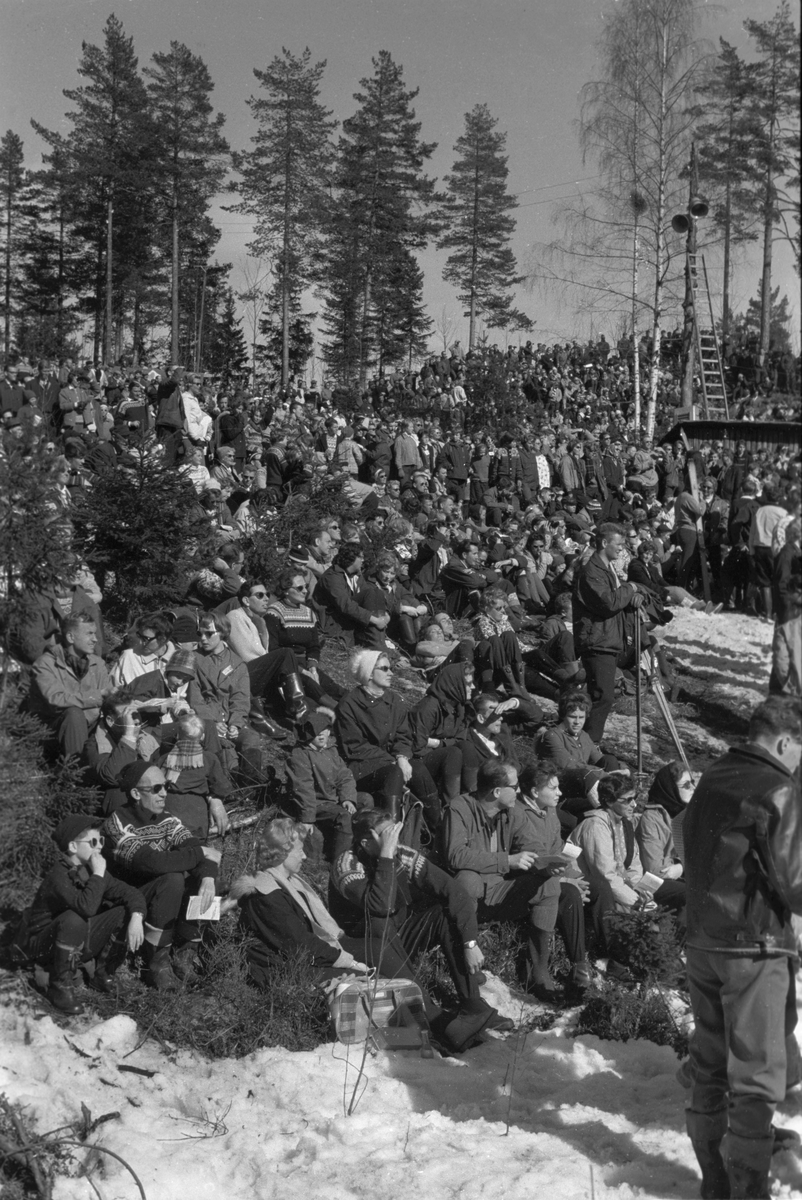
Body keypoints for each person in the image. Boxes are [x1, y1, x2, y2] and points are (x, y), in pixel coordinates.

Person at [682, 696, 802, 1200]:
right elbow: (796, 881)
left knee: (709, 1062)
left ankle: (715, 1178)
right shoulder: (778, 788)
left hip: (703, 940)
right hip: (755, 946)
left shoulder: (712, 778)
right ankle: (749, 1188)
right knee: (756, 1075)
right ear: (782, 741)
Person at [329, 809, 513, 1034]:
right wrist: (386, 856)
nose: (394, 841)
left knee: (443, 914)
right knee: (380, 921)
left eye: (395, 832)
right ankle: (432, 1014)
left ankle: (472, 1004)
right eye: (388, 835)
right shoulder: (347, 865)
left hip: (398, 938)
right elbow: (379, 905)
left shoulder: (401, 854)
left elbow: (455, 892)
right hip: (366, 949)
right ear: (367, 843)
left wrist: (470, 943)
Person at [443, 759, 568, 1001]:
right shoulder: (459, 808)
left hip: (499, 892)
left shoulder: (512, 812)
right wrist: (507, 861)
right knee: (468, 879)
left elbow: (532, 845)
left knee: (549, 886)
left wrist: (546, 864)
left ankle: (538, 972)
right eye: (515, 786)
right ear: (497, 792)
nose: (519, 791)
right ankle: (466, 963)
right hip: (469, 897)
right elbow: (455, 855)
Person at [102, 762, 221, 990]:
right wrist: (199, 853)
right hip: (126, 898)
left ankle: (185, 954)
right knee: (174, 878)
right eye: (156, 788)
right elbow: (151, 862)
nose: (164, 793)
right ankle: (156, 963)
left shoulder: (166, 819)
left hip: (155, 896)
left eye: (165, 786)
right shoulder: (116, 824)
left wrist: (207, 877)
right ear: (136, 793)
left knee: (207, 878)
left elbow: (196, 848)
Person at [17, 813, 147, 1014]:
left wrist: (137, 917)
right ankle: (60, 987)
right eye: (93, 841)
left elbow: (131, 893)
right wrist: (98, 875)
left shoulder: (89, 869)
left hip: (72, 938)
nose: (99, 846)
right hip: (41, 945)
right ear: (73, 847)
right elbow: (86, 908)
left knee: (124, 911)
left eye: (101, 840)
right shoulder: (59, 875)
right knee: (74, 917)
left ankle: (103, 974)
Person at [335, 649, 440, 830]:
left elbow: (403, 735)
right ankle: (391, 832)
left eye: (390, 668)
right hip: (361, 766)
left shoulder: (393, 700)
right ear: (369, 673)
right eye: (385, 669)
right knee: (394, 773)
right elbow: (355, 747)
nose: (391, 673)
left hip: (390, 760)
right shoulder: (349, 705)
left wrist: (402, 757)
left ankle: (437, 828)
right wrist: (393, 761)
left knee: (419, 769)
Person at [517, 763, 593, 991]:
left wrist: (575, 876)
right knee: (569, 893)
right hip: (527, 880)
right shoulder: (519, 814)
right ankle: (577, 966)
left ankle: (593, 960)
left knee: (594, 886)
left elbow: (558, 849)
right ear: (534, 792)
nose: (560, 793)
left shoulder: (550, 811)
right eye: (554, 788)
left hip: (553, 874)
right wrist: (568, 881)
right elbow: (537, 860)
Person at [573, 522, 646, 744]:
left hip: (608, 638)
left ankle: (584, 741)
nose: (622, 549)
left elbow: (617, 598)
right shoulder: (592, 571)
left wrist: (633, 593)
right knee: (602, 696)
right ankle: (587, 744)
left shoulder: (607, 569)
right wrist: (631, 588)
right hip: (597, 640)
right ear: (604, 543)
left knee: (601, 694)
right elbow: (609, 602)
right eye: (619, 544)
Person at [286, 710, 374, 862]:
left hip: (332, 797)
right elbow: (303, 788)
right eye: (315, 732)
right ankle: (341, 862)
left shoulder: (330, 749)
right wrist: (307, 818)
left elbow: (344, 776)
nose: (321, 735)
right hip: (317, 802)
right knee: (343, 816)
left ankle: (360, 847)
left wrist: (348, 798)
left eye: (324, 730)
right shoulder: (300, 755)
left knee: (365, 800)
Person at [28, 615, 112, 759]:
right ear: (71, 637)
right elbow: (56, 699)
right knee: (74, 713)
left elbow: (109, 697)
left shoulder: (97, 663)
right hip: (52, 733)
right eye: (89, 634)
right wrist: (98, 696)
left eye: (95, 633)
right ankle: (74, 772)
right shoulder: (45, 664)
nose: (95, 639)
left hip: (90, 727)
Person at [537, 689, 627, 817]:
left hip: (584, 785)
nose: (577, 722)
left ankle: (616, 800)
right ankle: (611, 811)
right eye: (572, 717)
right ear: (563, 715)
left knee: (610, 760)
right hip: (562, 791)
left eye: (581, 717)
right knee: (586, 774)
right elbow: (569, 765)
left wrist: (620, 771)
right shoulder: (552, 735)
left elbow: (599, 759)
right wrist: (605, 775)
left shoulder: (583, 736)